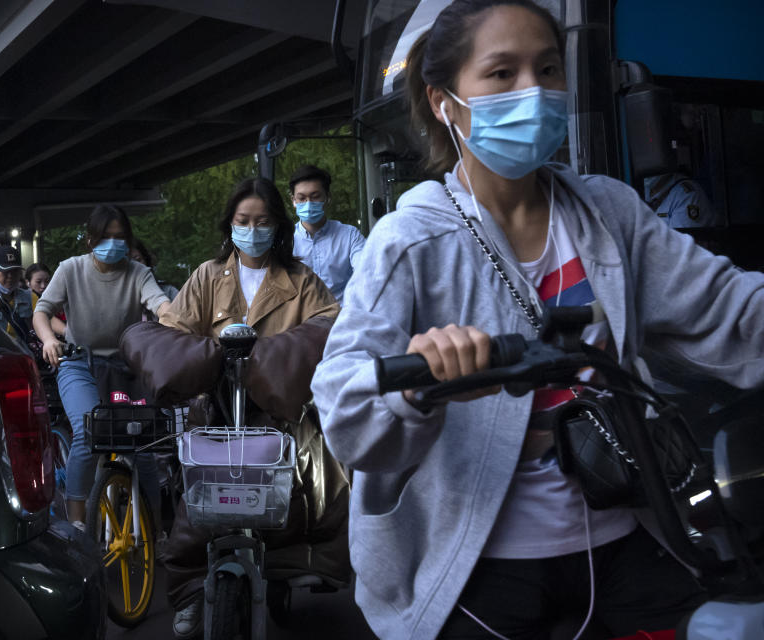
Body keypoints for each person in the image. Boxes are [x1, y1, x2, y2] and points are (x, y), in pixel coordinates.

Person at [310, 2, 764, 639]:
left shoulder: (609, 212)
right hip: (477, 565)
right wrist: (418, 387)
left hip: (629, 537)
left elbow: (732, 311)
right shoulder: (409, 240)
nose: (535, 91)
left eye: (548, 69)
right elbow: (344, 407)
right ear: (445, 101)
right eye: (502, 73)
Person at [128, 177, 349, 639]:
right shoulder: (208, 276)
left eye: (263, 221)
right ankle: (190, 590)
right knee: (198, 504)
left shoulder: (302, 280)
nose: (253, 230)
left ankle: (299, 563)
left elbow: (330, 325)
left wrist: (277, 361)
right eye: (244, 221)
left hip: (281, 414)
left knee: (310, 488)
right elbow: (172, 327)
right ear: (230, 226)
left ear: (278, 227)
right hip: (216, 414)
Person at [32, 204, 172, 525]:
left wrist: (172, 320)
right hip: (81, 366)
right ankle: (78, 525)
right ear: (90, 240)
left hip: (126, 370)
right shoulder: (70, 269)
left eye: (120, 237)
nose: (113, 243)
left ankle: (155, 531)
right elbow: (42, 311)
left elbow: (161, 305)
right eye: (105, 237)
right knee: (87, 434)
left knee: (144, 447)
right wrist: (49, 340)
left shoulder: (139, 273)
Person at [289, 165, 366, 304]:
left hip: (342, 318)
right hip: (300, 320)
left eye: (315, 197)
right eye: (301, 198)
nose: (308, 203)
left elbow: (366, 271)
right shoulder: (286, 240)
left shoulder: (349, 236)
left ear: (328, 197)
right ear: (293, 201)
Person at [25, 262, 67, 336]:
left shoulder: (59, 298)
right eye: (38, 282)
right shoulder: (28, 299)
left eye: (47, 281)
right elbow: (47, 318)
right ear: (28, 283)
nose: (43, 286)